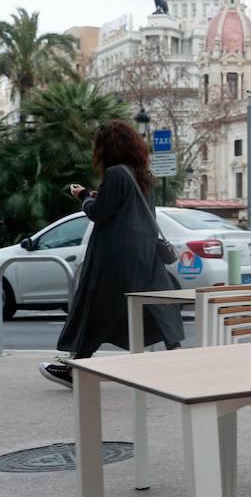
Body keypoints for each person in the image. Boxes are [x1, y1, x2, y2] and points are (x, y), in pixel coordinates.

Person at [40, 120, 183, 388]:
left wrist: (83, 195)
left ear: (107, 148)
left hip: (115, 253)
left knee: (96, 306)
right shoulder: (143, 177)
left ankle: (77, 369)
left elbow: (98, 213)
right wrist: (99, 196)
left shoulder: (116, 174)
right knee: (155, 307)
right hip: (145, 253)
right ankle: (177, 358)